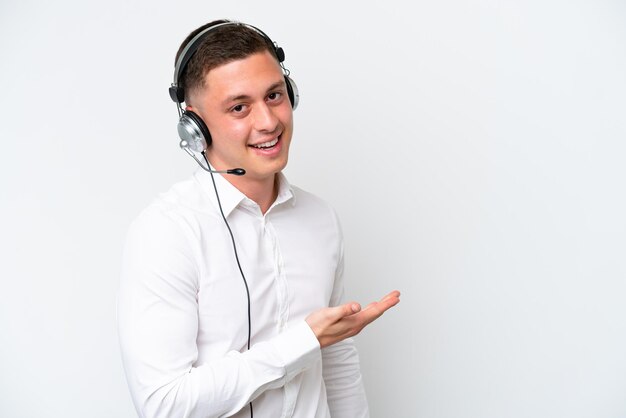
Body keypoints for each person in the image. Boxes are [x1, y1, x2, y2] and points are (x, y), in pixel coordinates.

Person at [117, 19, 400, 418]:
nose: (268, 122)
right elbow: (164, 404)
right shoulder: (167, 233)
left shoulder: (321, 219)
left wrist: (321, 346)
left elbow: (337, 364)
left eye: (274, 95)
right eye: (239, 107)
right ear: (194, 126)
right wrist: (303, 341)